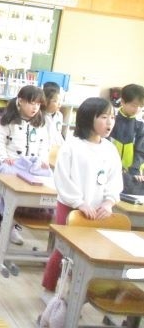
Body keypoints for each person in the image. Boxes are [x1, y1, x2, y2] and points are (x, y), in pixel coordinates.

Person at [41, 97, 122, 297]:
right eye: (103, 117)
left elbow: (114, 179)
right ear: (88, 118)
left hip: (99, 210)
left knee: (91, 250)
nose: (109, 122)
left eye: (112, 117)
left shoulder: (110, 149)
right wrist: (79, 203)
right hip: (71, 207)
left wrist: (109, 202)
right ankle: (49, 288)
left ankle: (78, 291)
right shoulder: (72, 146)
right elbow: (62, 178)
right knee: (64, 250)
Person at [0, 85, 51, 245]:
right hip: (10, 166)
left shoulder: (40, 123)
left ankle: (14, 228)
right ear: (20, 101)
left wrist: (43, 159)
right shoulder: (9, 120)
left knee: (23, 203)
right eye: (31, 103)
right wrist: (4, 157)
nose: (35, 107)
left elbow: (44, 145)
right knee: (2, 200)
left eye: (38, 104)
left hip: (30, 168)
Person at [109, 83, 144, 195]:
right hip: (110, 168)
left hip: (131, 172)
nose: (137, 109)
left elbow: (141, 151)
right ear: (123, 102)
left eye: (141, 106)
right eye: (134, 105)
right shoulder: (112, 118)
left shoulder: (140, 124)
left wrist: (135, 169)